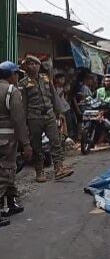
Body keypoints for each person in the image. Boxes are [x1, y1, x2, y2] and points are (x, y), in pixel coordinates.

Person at [19, 56, 74, 183]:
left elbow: (54, 96)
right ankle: (39, 171)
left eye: (35, 64)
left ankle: (59, 168)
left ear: (39, 65)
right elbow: (23, 104)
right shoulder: (23, 83)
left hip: (49, 114)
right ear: (26, 67)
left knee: (55, 140)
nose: (33, 66)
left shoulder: (45, 78)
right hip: (34, 117)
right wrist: (25, 123)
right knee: (37, 145)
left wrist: (59, 112)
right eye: (30, 64)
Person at [0, 61, 31, 227]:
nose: (18, 76)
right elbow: (18, 119)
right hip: (6, 138)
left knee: (6, 170)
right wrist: (26, 144)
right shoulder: (12, 91)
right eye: (17, 73)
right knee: (6, 172)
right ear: (11, 75)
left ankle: (11, 202)